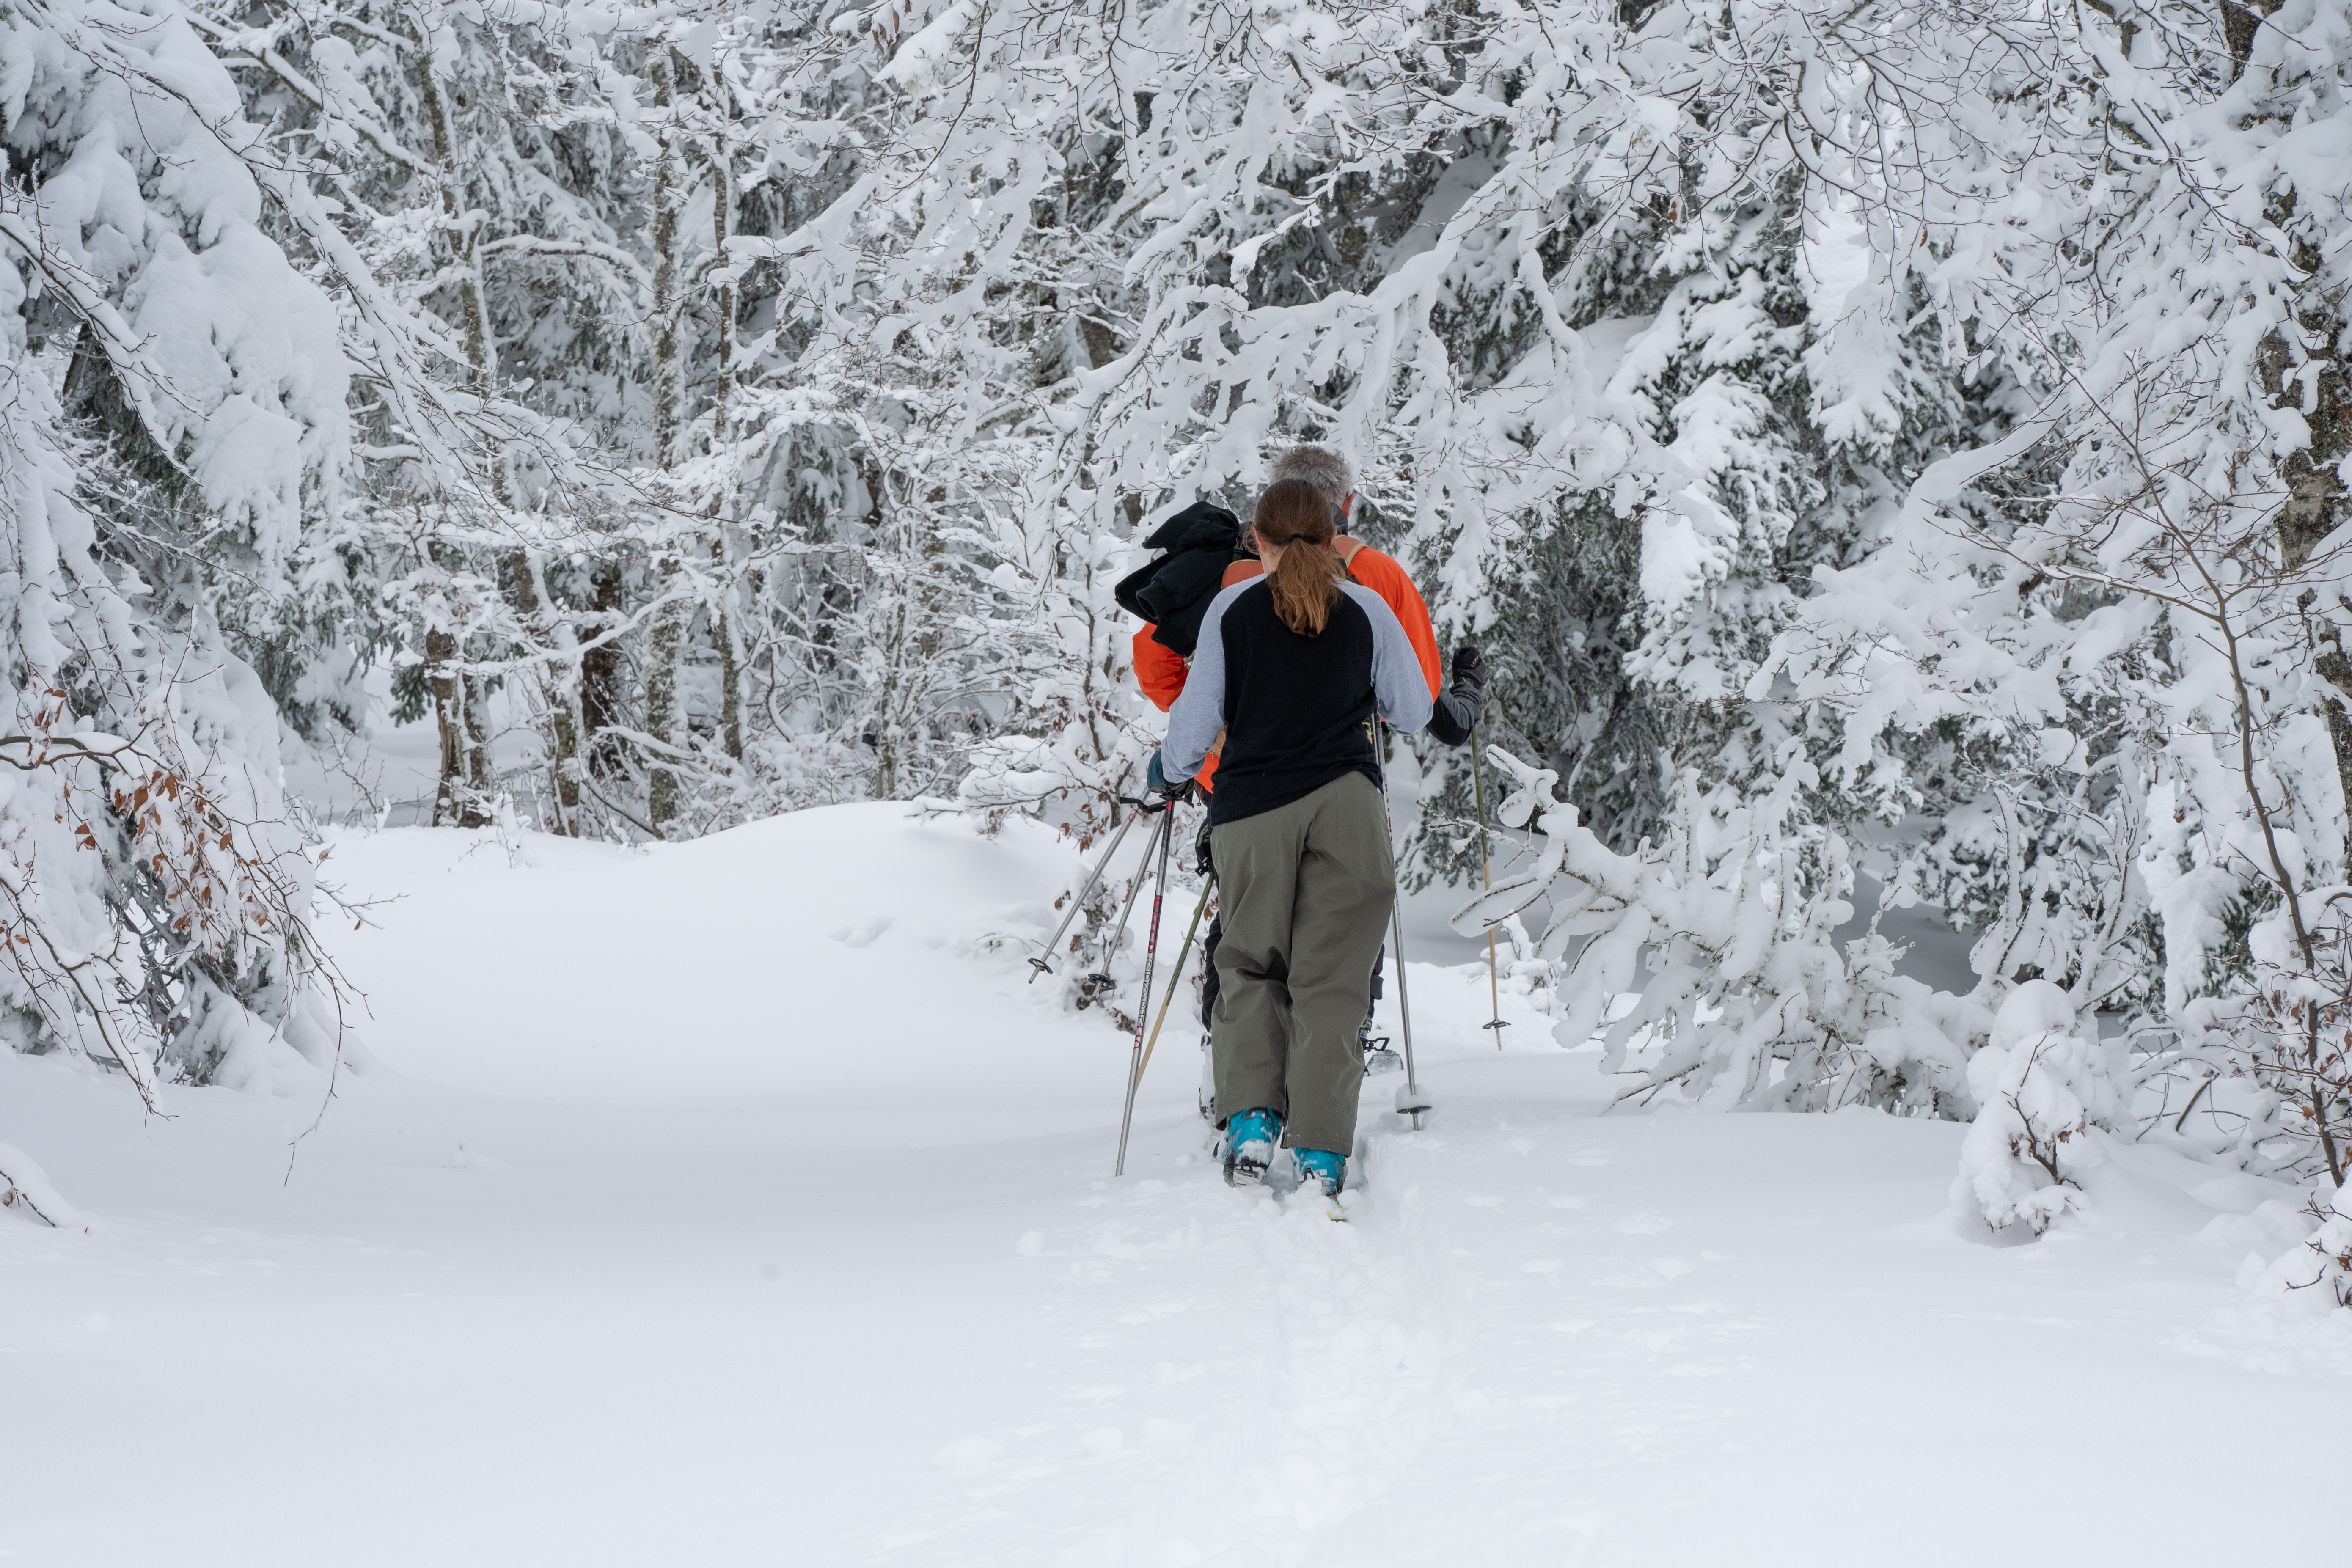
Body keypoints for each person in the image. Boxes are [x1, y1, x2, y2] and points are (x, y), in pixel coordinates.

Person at [1158, 479, 1441, 1197]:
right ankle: (1321, 1151)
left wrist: (1168, 769)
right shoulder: (1369, 608)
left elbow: (1194, 728)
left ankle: (1252, 1123)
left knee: (1249, 963)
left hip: (1252, 810)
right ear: (1330, 536)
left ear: (1259, 540)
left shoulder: (1230, 608)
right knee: (1333, 981)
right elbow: (1413, 710)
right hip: (1345, 806)